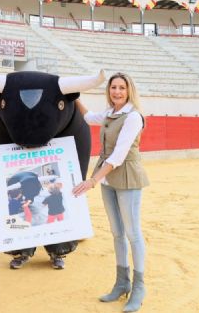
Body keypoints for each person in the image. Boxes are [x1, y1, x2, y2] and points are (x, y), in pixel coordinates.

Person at [73, 72, 149, 313]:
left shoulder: (133, 116)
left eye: (121, 88)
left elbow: (118, 156)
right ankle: (121, 282)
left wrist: (93, 180)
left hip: (126, 177)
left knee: (132, 233)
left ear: (129, 91)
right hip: (107, 180)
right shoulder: (109, 113)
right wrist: (72, 95)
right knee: (117, 233)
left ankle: (139, 287)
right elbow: (88, 118)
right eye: (113, 88)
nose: (117, 92)